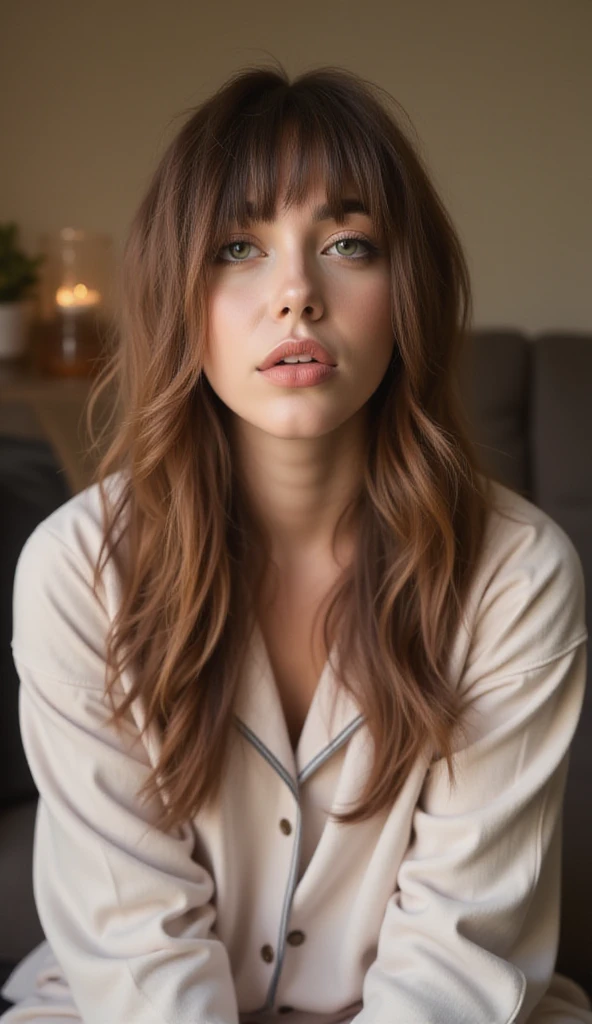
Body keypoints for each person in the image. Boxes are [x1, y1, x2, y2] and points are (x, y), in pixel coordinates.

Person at [1, 61, 590, 1024]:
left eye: (349, 243)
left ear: (410, 291)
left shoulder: (517, 577)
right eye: (239, 246)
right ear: (174, 295)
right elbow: (136, 957)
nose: (296, 294)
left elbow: (456, 956)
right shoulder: (77, 571)